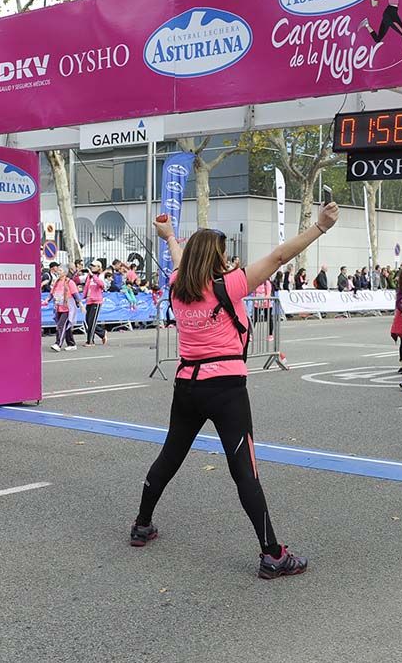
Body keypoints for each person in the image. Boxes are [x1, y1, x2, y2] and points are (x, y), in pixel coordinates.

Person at [132, 203, 340, 579]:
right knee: (245, 471)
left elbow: (180, 259)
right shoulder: (230, 285)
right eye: (224, 254)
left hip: (187, 386)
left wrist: (168, 238)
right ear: (215, 258)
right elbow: (279, 256)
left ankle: (142, 524)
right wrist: (320, 228)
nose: (229, 260)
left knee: (170, 456)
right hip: (226, 388)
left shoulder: (178, 286)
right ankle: (273, 554)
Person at [357, 0, 402, 70]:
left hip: (389, 13)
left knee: (378, 39)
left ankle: (366, 24)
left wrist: (373, 1)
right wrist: (372, 0)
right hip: (391, 14)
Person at [49, 267, 84, 352]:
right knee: (66, 327)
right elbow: (52, 293)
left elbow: (75, 294)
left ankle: (58, 344)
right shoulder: (56, 282)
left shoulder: (69, 282)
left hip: (68, 308)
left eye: (60, 270)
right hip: (58, 308)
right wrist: (47, 300)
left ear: (65, 273)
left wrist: (81, 305)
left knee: (60, 326)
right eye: (58, 270)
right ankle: (72, 344)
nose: (58, 271)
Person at [82, 260, 108, 346]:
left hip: (96, 301)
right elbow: (86, 287)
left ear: (98, 267)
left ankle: (90, 341)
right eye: (91, 266)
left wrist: (93, 276)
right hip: (89, 301)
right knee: (88, 321)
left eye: (94, 266)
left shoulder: (100, 276)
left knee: (92, 321)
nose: (92, 267)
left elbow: (101, 284)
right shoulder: (89, 277)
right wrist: (82, 298)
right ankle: (102, 333)